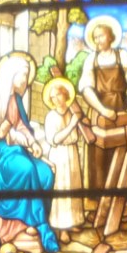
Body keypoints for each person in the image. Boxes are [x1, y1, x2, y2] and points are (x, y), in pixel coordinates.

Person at [0, 50, 60, 253]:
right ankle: (39, 226)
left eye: (27, 75)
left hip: (16, 151)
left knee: (45, 172)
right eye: (23, 74)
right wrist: (0, 133)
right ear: (11, 75)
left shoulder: (16, 100)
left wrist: (33, 144)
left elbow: (21, 126)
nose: (25, 80)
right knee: (26, 168)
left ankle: (27, 226)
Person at [76, 16, 127, 249]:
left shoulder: (122, 55)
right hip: (100, 113)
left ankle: (124, 209)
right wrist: (102, 109)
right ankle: (99, 211)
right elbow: (86, 88)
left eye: (101, 35)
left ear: (111, 36)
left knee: (123, 158)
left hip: (121, 109)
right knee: (99, 163)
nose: (97, 40)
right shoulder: (91, 60)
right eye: (94, 36)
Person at [41, 76, 88, 235]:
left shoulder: (72, 113)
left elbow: (78, 134)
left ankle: (73, 221)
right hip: (59, 155)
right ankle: (61, 229)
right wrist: (72, 124)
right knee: (61, 189)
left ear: (66, 95)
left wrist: (80, 123)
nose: (56, 99)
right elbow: (54, 139)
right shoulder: (51, 117)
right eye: (53, 96)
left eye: (59, 94)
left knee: (73, 187)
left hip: (72, 153)